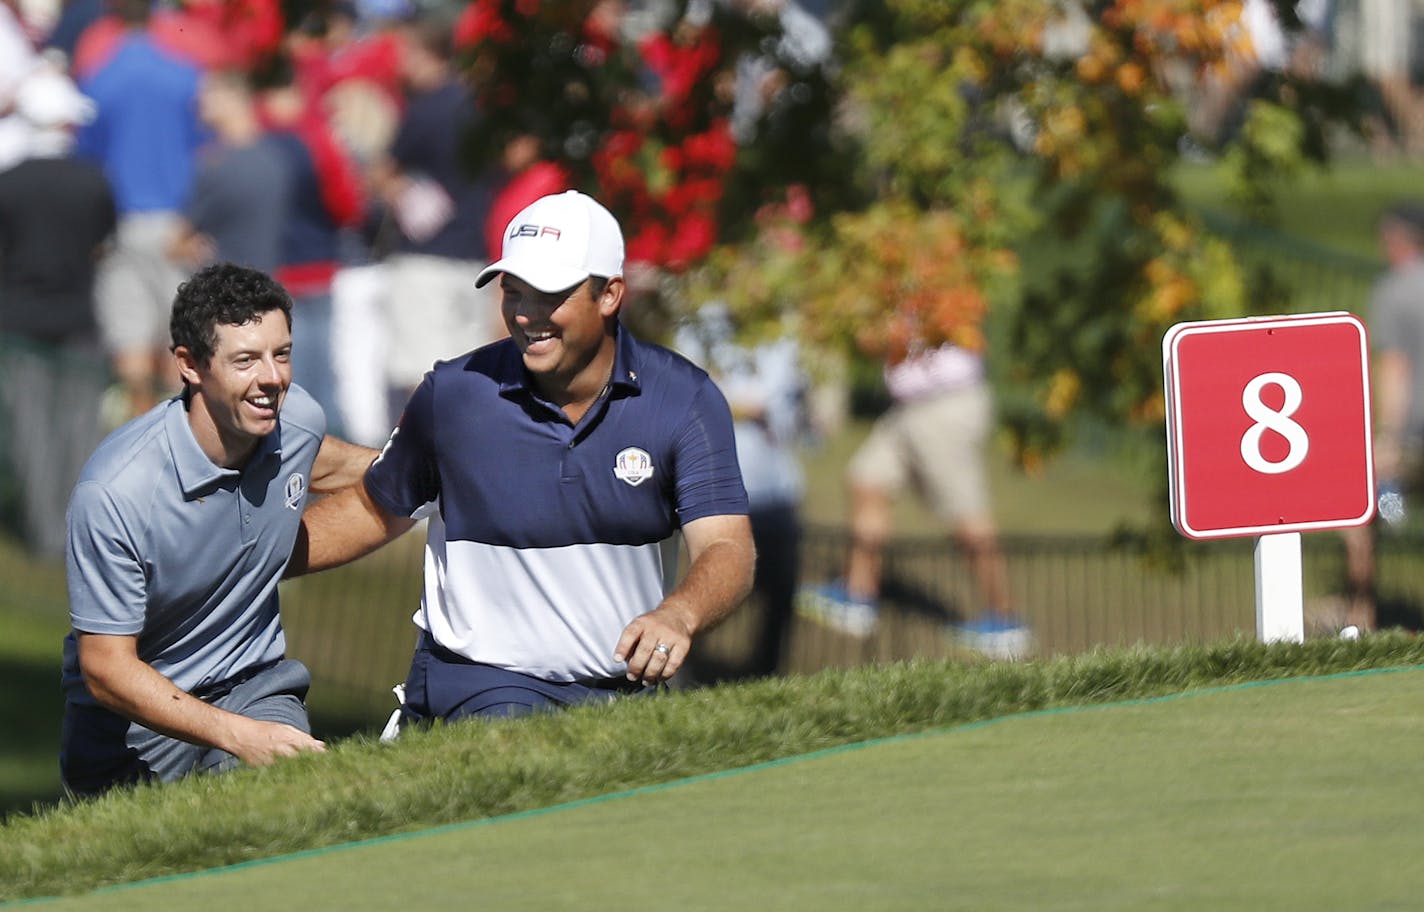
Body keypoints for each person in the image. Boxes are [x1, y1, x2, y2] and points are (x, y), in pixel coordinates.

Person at [287, 189, 756, 724]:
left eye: (550, 294)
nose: (528, 315)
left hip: (623, 699)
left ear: (610, 295)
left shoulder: (682, 399)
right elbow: (371, 512)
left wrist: (681, 612)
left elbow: (726, 545)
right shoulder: (455, 393)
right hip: (477, 687)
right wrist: (245, 563)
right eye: (514, 292)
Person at [60, 262, 377, 797]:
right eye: (246, 360)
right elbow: (105, 667)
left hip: (254, 686)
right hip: (132, 730)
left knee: (285, 805)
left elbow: (319, 461)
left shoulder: (294, 418)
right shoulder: (115, 492)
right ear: (189, 366)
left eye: (282, 354)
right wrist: (238, 736)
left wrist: (426, 462)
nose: (272, 378)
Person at [798, 343, 1028, 659]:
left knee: (966, 514)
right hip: (909, 409)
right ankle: (857, 595)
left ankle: (1005, 622)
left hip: (944, 405)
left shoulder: (945, 299)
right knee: (867, 481)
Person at [0, 65, 116, 558]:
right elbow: (103, 244)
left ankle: (47, 530)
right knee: (78, 429)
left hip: (19, 323)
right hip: (77, 319)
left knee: (31, 432)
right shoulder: (92, 182)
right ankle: (76, 529)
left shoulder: (9, 183)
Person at [75, 0, 205, 420]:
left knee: (129, 341)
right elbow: (204, 153)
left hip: (121, 224)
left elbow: (88, 162)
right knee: (179, 342)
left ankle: (137, 452)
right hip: (177, 224)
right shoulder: (184, 76)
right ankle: (183, 451)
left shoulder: (99, 79)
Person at [675, 302, 807, 679]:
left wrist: (724, 391)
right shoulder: (699, 321)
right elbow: (689, 385)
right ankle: (683, 674)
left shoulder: (781, 328)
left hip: (774, 489)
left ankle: (764, 676)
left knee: (778, 593)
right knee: (702, 587)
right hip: (712, 493)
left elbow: (764, 397)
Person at [1342, 201, 1424, 634]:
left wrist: (1388, 437)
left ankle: (1362, 615)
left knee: (1354, 509)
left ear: (1396, 241)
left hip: (1413, 433)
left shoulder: (1395, 290)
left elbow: (1395, 369)